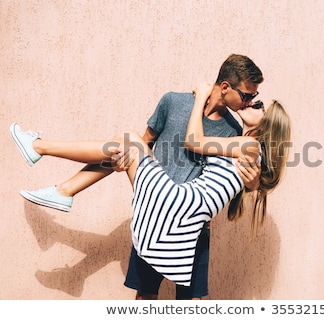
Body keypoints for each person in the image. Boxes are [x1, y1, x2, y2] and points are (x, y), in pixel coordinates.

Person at [11, 54, 265, 300]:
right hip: (156, 208)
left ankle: (53, 173)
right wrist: (122, 165)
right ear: (224, 87)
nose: (249, 101)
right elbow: (143, 145)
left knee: (191, 303)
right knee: (145, 296)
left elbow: (229, 181)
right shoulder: (174, 102)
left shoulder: (234, 130)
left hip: (193, 224)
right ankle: (60, 185)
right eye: (246, 94)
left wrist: (253, 184)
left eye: (253, 96)